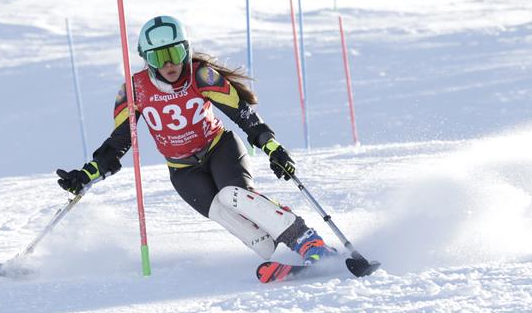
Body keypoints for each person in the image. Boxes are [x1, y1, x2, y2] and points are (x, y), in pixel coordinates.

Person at [55, 16, 338, 268]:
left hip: (219, 150)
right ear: (146, 59)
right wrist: (87, 174)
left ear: (186, 50)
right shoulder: (134, 90)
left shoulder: (201, 75)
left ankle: (306, 239)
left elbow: (242, 115)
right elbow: (117, 144)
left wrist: (272, 147)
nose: (169, 63)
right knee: (248, 232)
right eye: (158, 57)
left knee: (234, 195)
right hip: (182, 170)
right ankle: (279, 247)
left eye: (175, 52)